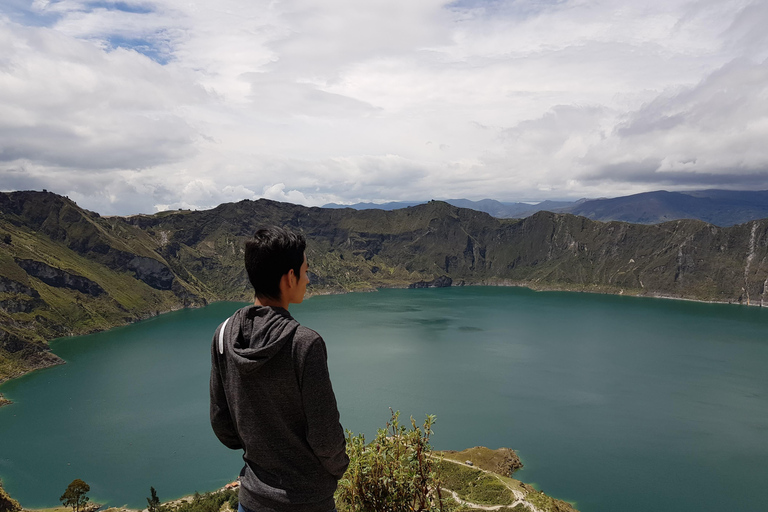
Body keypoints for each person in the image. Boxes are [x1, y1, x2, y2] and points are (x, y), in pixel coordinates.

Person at [210, 226, 349, 512]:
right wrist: (337, 469)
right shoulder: (305, 344)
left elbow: (222, 424)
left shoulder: (223, 335)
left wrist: (262, 450)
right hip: (309, 502)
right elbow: (325, 438)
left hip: (252, 501)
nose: (308, 279)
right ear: (289, 278)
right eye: (305, 271)